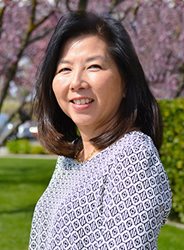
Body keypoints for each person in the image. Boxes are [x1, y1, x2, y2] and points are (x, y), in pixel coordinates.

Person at [29, 11, 172, 250]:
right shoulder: (70, 161)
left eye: (93, 66)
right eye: (65, 69)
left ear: (125, 82)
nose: (77, 82)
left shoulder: (133, 155)